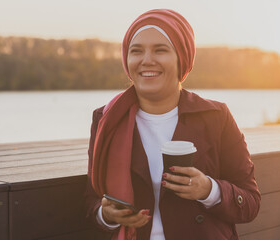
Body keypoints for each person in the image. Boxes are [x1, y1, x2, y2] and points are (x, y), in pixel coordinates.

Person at [85, 9, 261, 240]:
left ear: (182, 58)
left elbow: (250, 202)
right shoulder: (107, 120)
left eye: (160, 50)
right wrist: (106, 215)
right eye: (136, 51)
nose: (147, 60)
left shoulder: (216, 116)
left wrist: (209, 190)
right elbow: (92, 201)